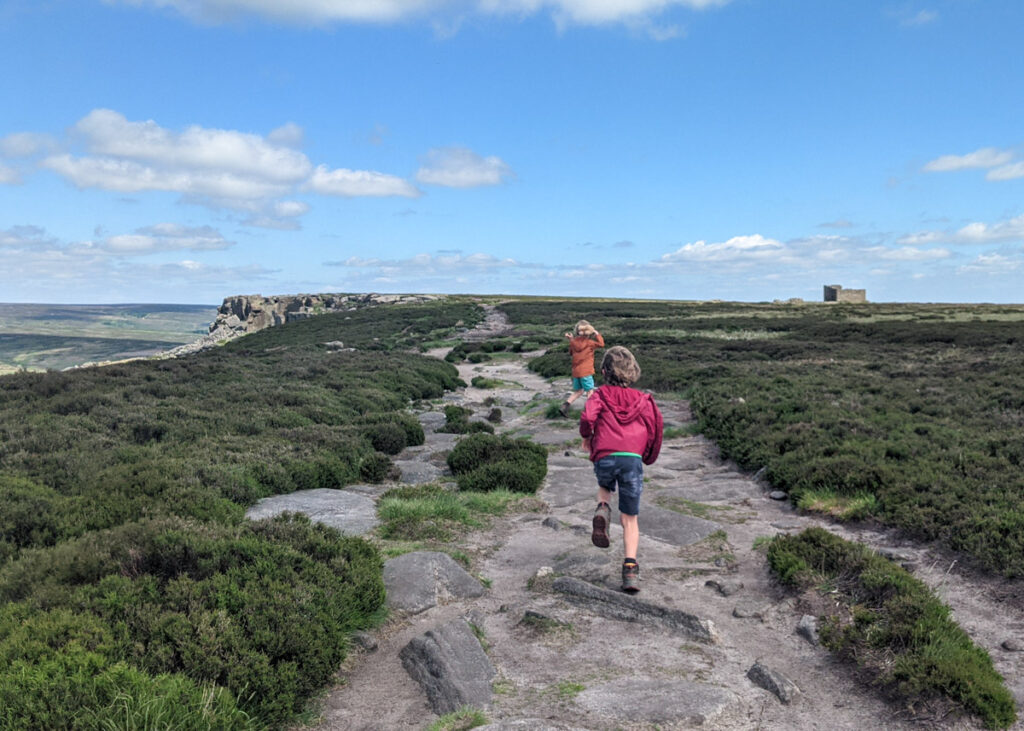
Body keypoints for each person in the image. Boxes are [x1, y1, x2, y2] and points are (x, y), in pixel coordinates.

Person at [579, 346, 663, 593]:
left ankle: (603, 509)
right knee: (630, 519)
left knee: (604, 485)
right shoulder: (644, 400)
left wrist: (587, 437)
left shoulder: (599, 395)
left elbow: (587, 418)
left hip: (605, 454)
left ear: (604, 371)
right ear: (632, 372)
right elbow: (654, 429)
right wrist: (645, 455)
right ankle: (630, 570)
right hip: (632, 460)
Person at [559, 320, 604, 417]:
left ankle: (565, 406)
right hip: (586, 371)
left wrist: (571, 340)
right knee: (590, 391)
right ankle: (590, 412)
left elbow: (571, 353)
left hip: (576, 371)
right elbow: (601, 344)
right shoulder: (590, 343)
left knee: (578, 391)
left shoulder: (573, 342)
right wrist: (597, 334)